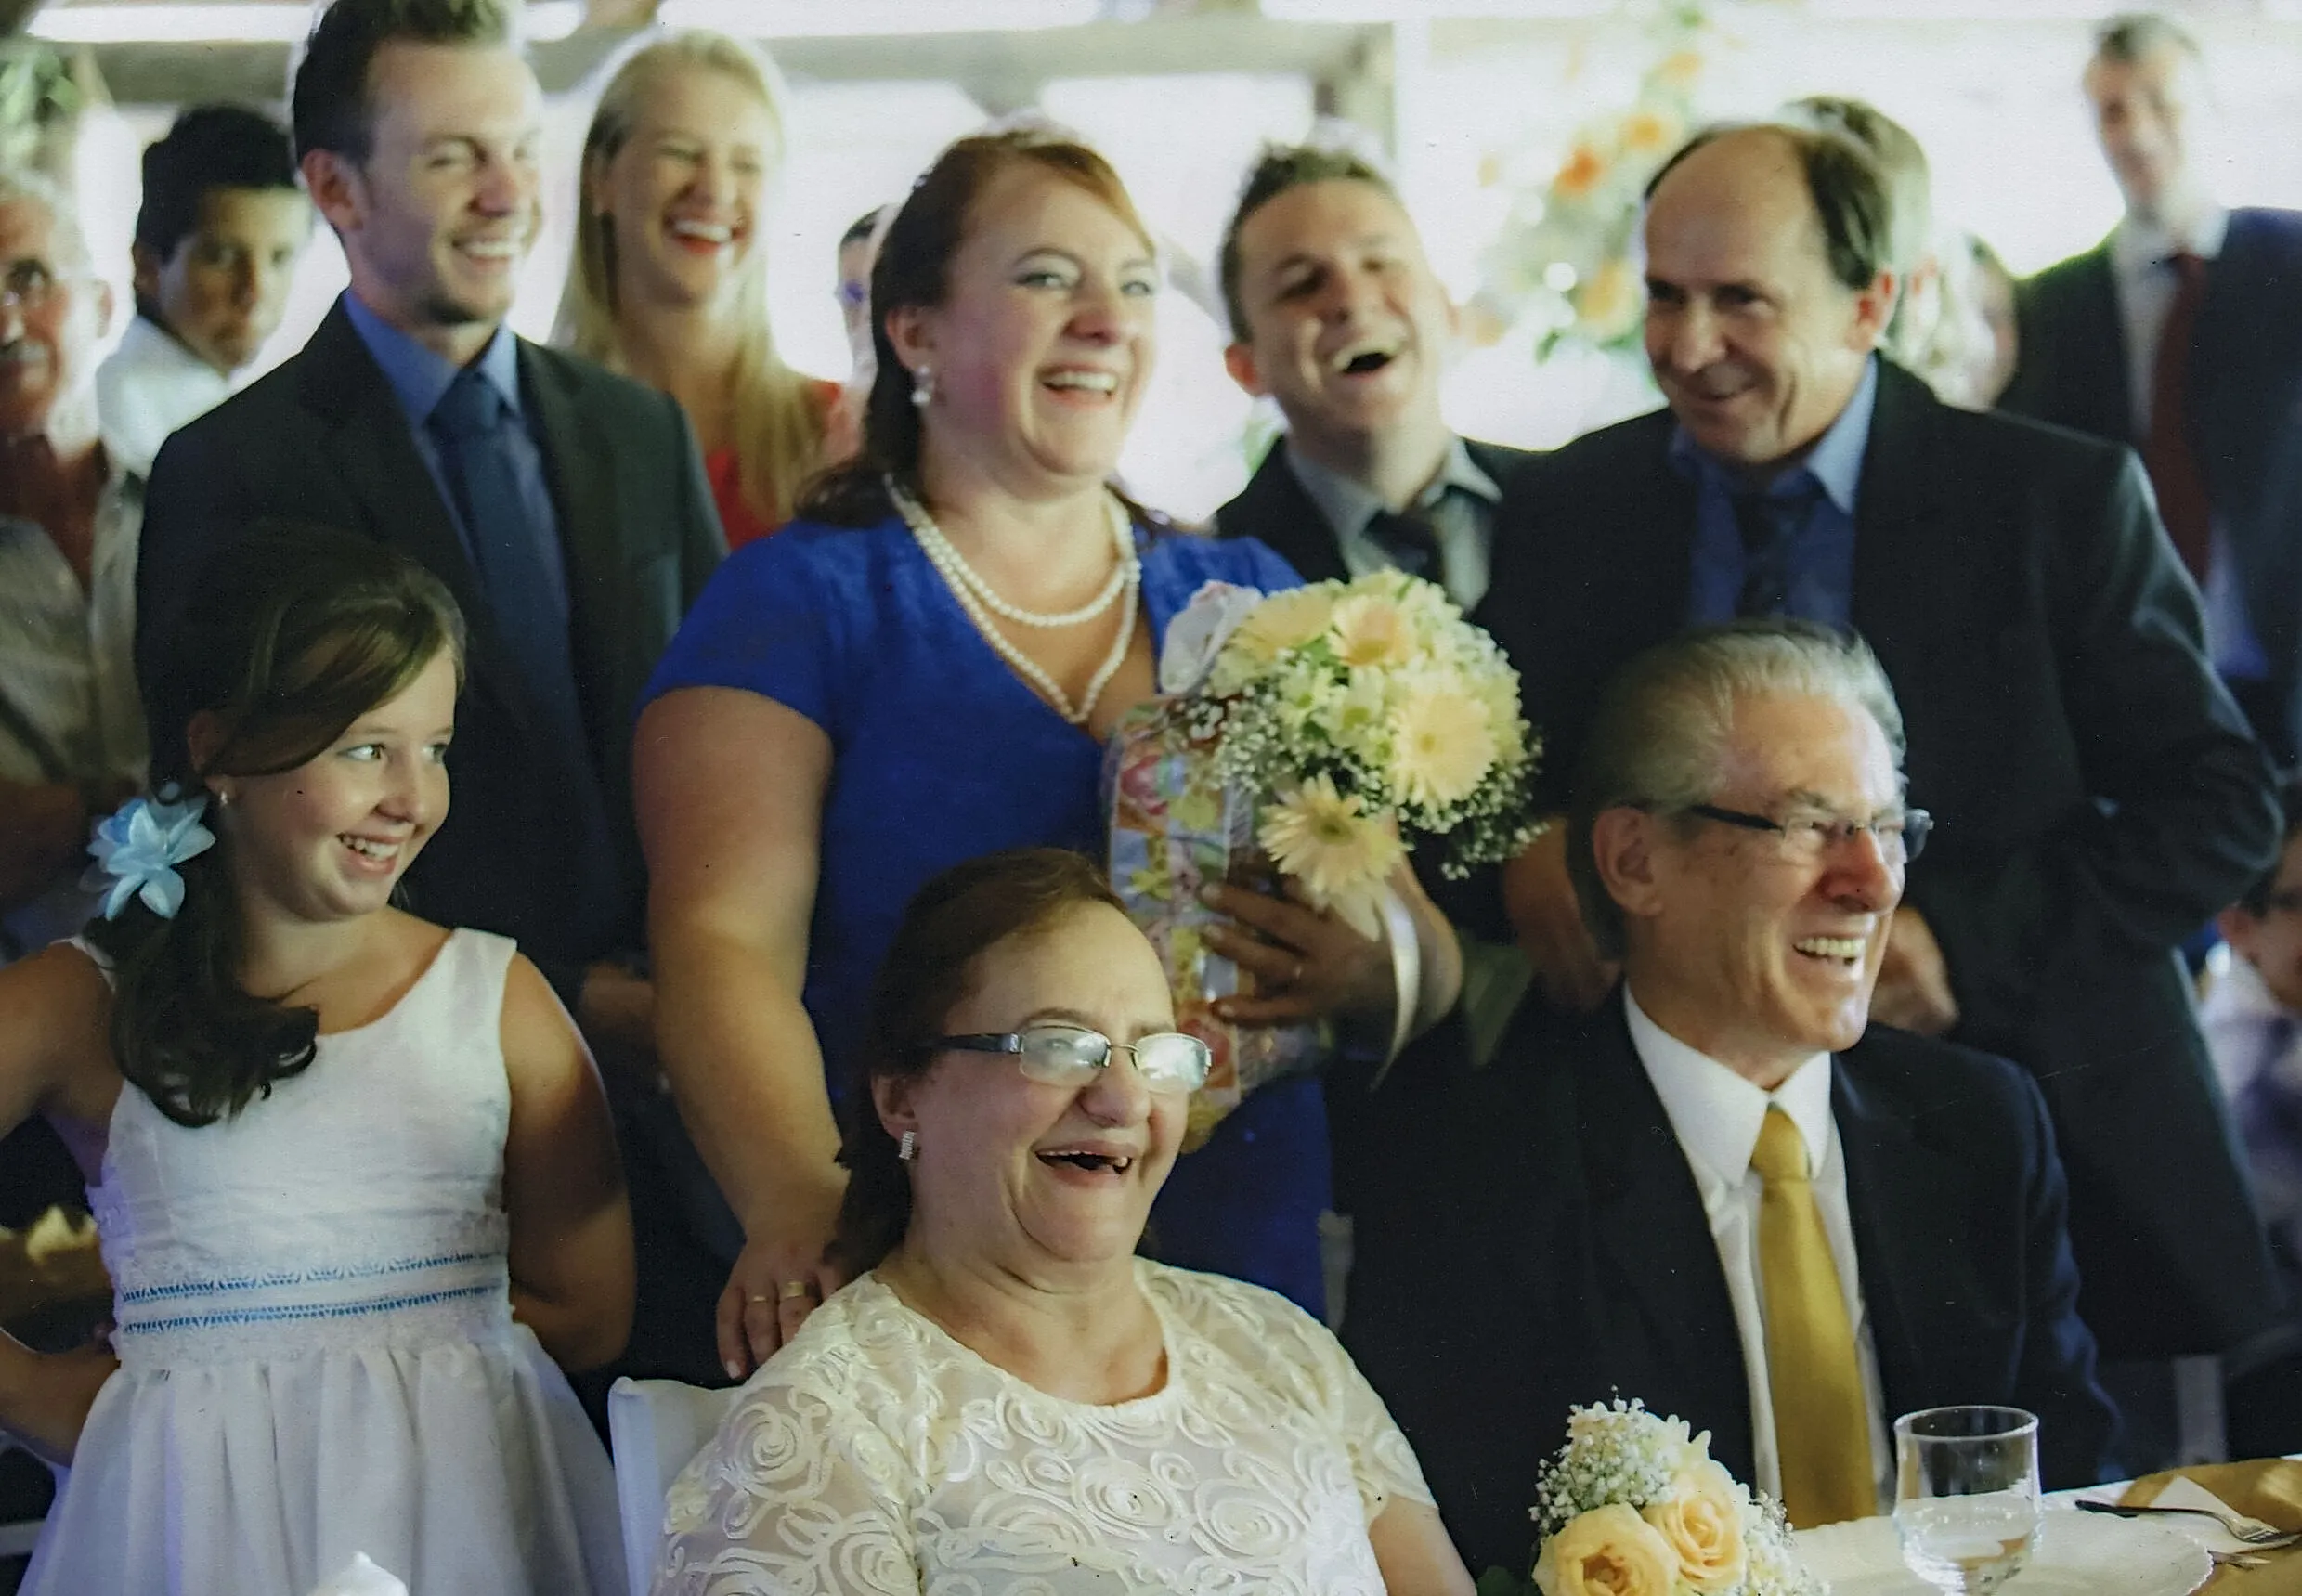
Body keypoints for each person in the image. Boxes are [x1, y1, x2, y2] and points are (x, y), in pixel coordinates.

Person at [636, 125, 1461, 1382]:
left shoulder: (1253, 591)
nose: (1102, 320)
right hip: (926, 1268)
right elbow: (720, 943)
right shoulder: (796, 603)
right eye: (1043, 279)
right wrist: (798, 1204)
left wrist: (1370, 967)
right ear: (912, 331)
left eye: (1131, 285)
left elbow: (1422, 953)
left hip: (1238, 1264)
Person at [1482, 122, 2281, 1370]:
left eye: (1738, 301)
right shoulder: (1566, 505)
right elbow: (1494, 789)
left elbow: (2221, 801)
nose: (1687, 350)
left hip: (2051, 1141)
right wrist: (1526, 843)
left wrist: (1957, 937)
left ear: (1868, 306)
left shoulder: (2049, 501)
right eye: (1662, 298)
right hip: (1664, 1185)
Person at [1348, 623, 2117, 1574]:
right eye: (1806, 826)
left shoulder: (1980, 1122)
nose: (1871, 885)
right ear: (1634, 861)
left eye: (1886, 830)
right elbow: (1472, 1560)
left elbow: (2075, 1492)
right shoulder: (1473, 1176)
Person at [3, 523, 631, 1596]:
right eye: (362, 749)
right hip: (189, 1524)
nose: (412, 798)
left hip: (462, 1515)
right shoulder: (87, 1001)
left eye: (432, 749)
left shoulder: (494, 1002)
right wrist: (28, 1389)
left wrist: (373, 1364)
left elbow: (589, 1308)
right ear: (219, 753)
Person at [136, 0, 723, 1064]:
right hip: (394, 1051)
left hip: (682, 1045)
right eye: (455, 159)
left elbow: (715, 744)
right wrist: (565, 991)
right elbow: (229, 827)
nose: (507, 198)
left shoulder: (639, 431)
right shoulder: (233, 469)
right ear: (334, 188)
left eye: (521, 153)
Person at [651, 848, 1475, 1595]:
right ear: (901, 1092)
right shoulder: (828, 1427)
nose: (1119, 1100)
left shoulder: (1274, 1344)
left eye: (1154, 1054)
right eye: (1057, 1047)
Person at [2003, 13, 2302, 768]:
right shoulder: (2050, 305)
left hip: (2284, 667)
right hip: (2130, 685)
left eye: (2161, 102)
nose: (2136, 133)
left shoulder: (2289, 264)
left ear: (2210, 111)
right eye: (2112, 109)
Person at [1214, 144, 1529, 621]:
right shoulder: (1215, 565)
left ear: (1447, 311)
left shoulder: (1569, 499)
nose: (1353, 301)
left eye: (1380, 263)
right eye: (1302, 284)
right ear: (1245, 367)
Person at [557, 30, 838, 551]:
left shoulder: (840, 433)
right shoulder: (525, 426)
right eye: (681, 152)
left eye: (747, 164)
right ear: (601, 177)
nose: (714, 189)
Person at [0, 168, 142, 963]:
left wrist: (65, 813)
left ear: (103, 305)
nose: (3, 321)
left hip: (229, 1008)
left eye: (29, 278)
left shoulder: (199, 509)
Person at [94, 104, 310, 477]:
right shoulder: (133, 426)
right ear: (147, 267)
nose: (255, 291)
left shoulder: (210, 405)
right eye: (223, 257)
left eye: (279, 258)